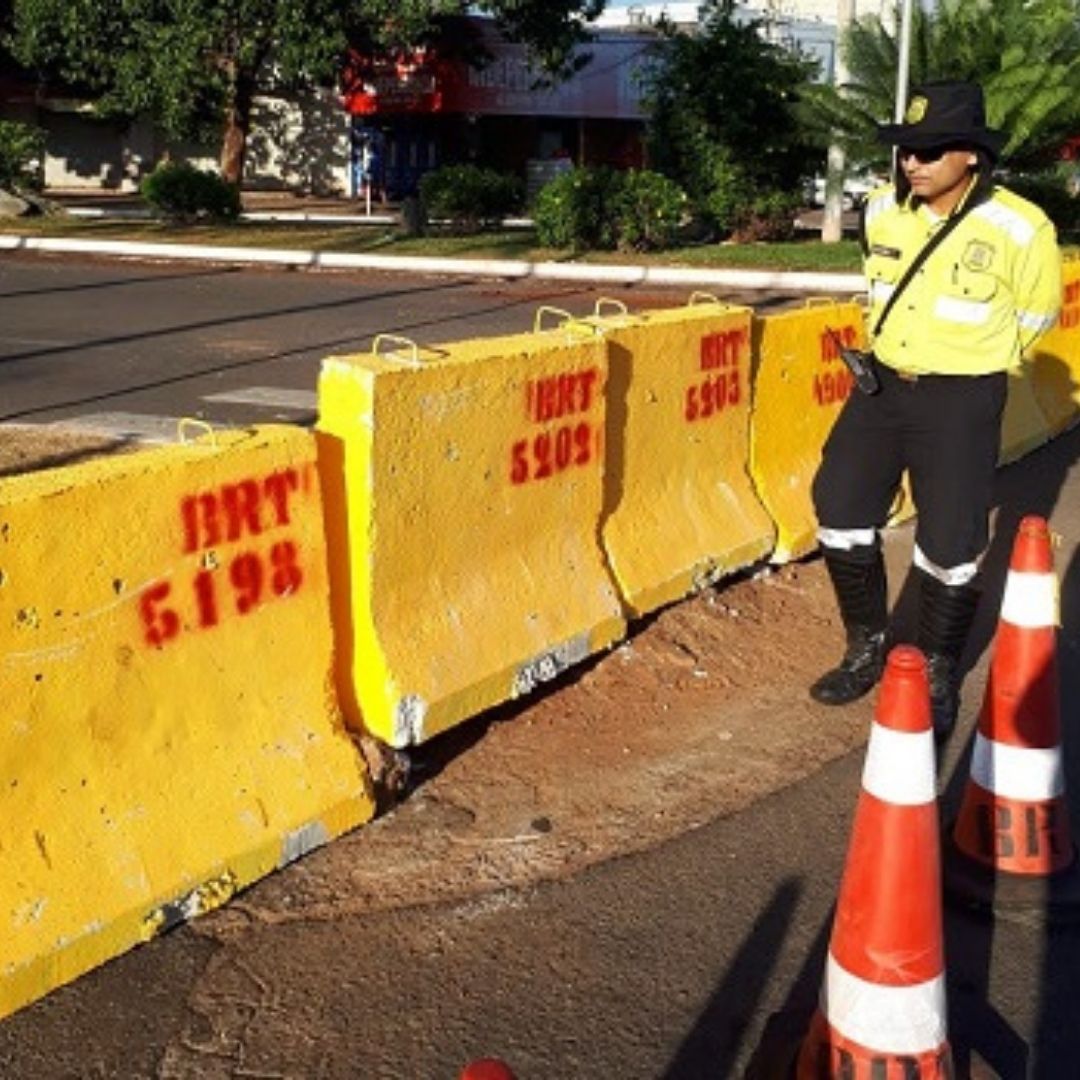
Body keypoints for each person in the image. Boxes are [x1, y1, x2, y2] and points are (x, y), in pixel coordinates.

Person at [809, 80, 1062, 739]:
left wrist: (971, 358)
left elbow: (1036, 316)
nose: (911, 163)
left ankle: (938, 669)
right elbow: (874, 286)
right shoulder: (881, 212)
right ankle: (866, 644)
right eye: (905, 150)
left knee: (951, 542)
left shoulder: (1019, 226)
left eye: (928, 151)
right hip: (882, 386)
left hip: (962, 396)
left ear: (972, 156)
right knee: (838, 505)